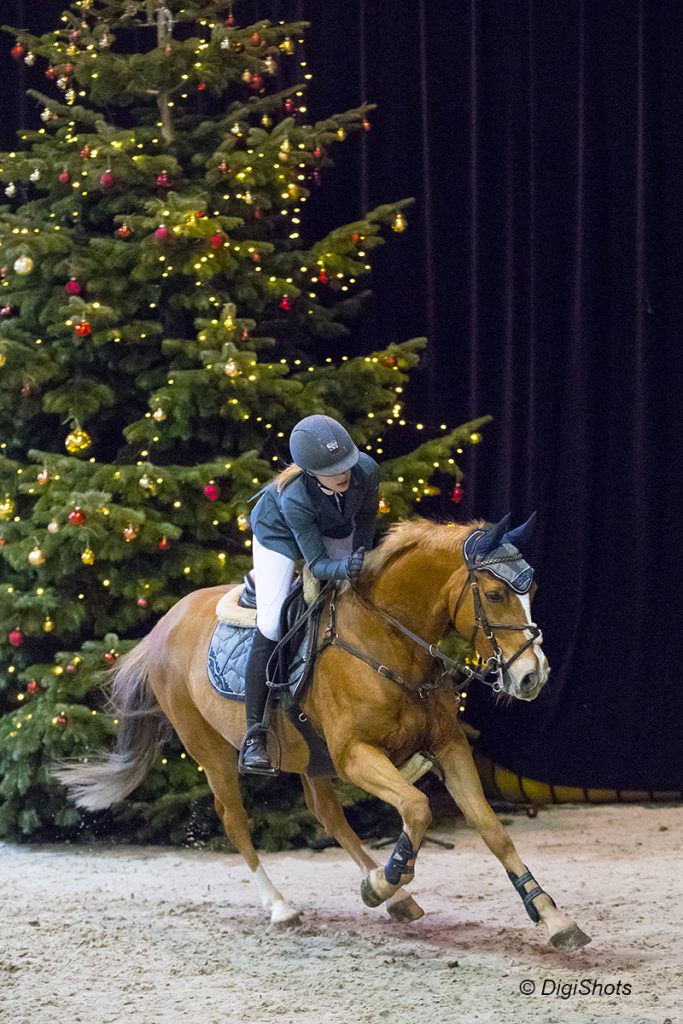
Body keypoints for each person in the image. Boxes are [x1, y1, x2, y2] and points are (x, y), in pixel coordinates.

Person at [239, 414, 380, 774]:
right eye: (332, 470)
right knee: (271, 623)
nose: (343, 473)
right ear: (309, 472)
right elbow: (316, 564)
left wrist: (359, 560)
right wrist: (342, 568)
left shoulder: (365, 470)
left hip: (332, 525)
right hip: (278, 536)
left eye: (345, 463)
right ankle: (255, 733)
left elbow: (364, 521)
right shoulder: (295, 498)